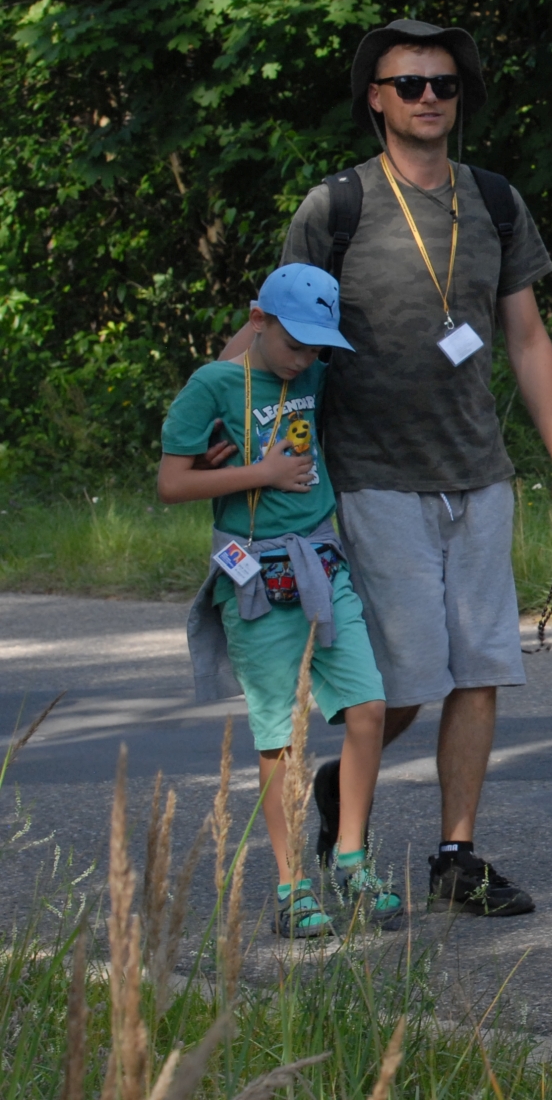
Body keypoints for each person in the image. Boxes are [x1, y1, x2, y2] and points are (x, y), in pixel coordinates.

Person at [262, 19, 552, 916]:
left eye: (444, 83)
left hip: (478, 470)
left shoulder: (494, 201)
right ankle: (342, 796)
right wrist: (226, 421)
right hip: (372, 472)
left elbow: (528, 337)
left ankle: (457, 855)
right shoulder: (337, 206)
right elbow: (278, 329)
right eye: (409, 84)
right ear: (376, 98)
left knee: (480, 667)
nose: (429, 97)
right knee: (404, 677)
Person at [167, 265, 402, 938]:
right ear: (258, 321)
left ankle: (351, 860)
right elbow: (171, 483)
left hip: (323, 562)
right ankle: (292, 885)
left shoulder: (311, 374)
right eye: (294, 343)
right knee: (280, 736)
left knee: (369, 708)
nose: (304, 360)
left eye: (316, 348)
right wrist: (259, 473)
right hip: (255, 578)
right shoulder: (212, 386)